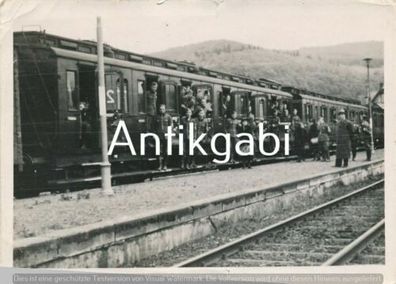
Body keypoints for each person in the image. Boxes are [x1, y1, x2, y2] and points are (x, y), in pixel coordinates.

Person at [154, 104, 173, 171]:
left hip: (166, 136)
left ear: (165, 109)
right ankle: (159, 165)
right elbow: (153, 127)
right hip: (158, 136)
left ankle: (165, 165)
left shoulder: (168, 117)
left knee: (166, 151)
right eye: (160, 109)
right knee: (158, 151)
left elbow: (171, 126)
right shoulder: (156, 117)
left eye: (163, 109)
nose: (161, 110)